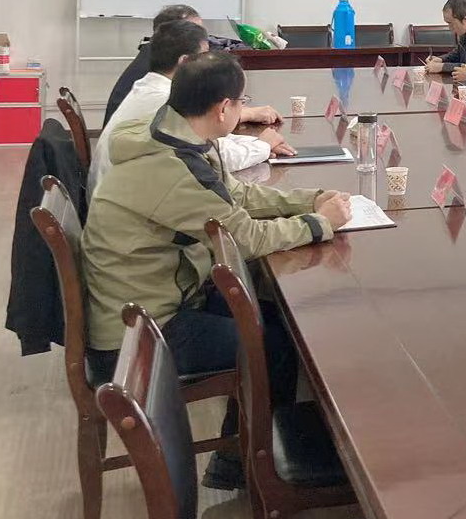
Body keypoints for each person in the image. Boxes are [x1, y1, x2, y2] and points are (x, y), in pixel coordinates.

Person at [83, 50, 353, 488]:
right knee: (274, 344)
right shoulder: (172, 168)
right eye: (241, 102)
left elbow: (235, 197)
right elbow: (244, 238)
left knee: (277, 319)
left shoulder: (173, 133)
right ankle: (248, 467)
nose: (245, 109)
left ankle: (251, 448)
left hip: (153, 298)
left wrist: (310, 199)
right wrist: (320, 224)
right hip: (140, 330)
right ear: (223, 108)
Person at [88, 20, 292, 198]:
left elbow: (207, 142)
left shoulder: (151, 86)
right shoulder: (164, 99)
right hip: (132, 208)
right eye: (204, 56)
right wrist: (262, 146)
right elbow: (212, 160)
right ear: (185, 62)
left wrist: (257, 142)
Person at [103, 3, 243, 125]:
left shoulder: (156, 63)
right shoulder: (158, 85)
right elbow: (203, 122)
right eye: (192, 32)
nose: (201, 38)